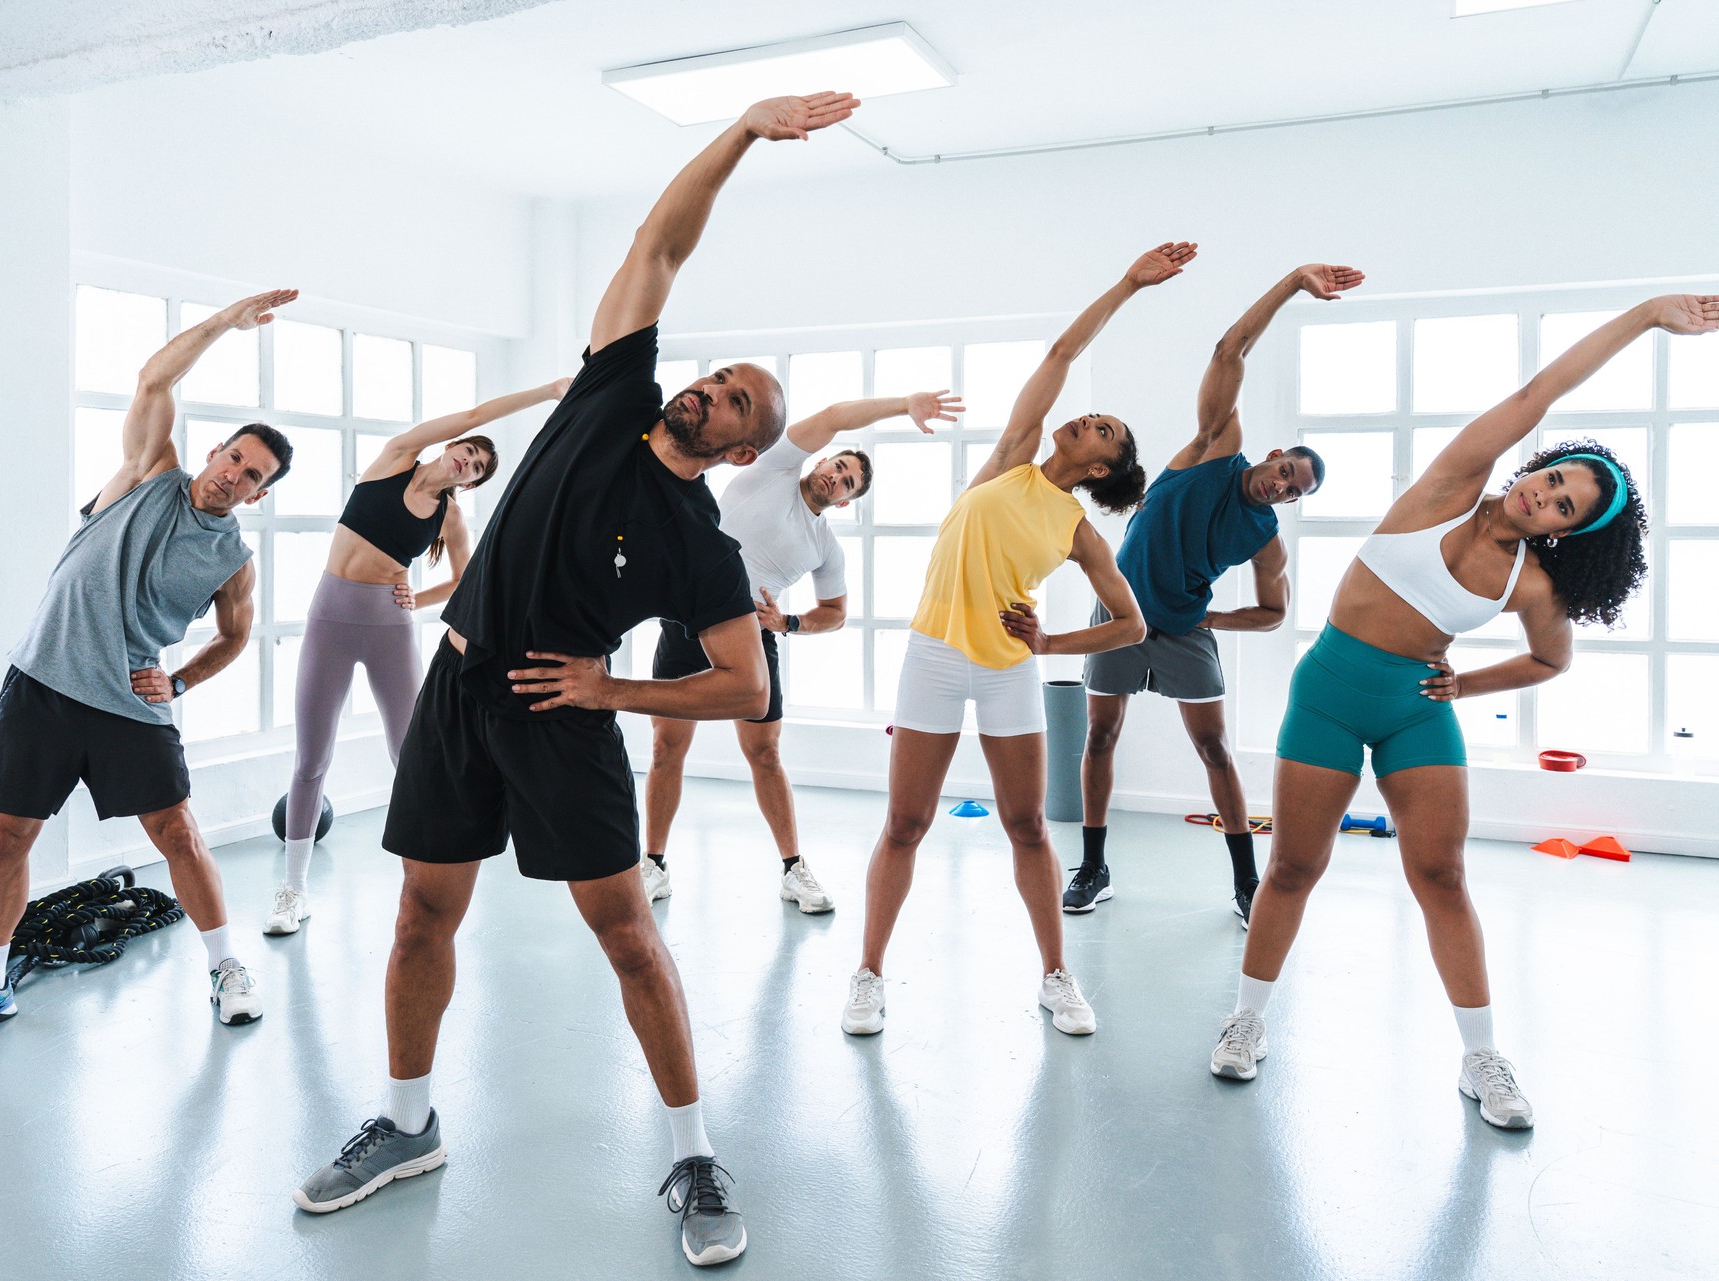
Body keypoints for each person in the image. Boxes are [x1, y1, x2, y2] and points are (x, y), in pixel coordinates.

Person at [292, 93, 859, 1268]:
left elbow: (748, 689)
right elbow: (659, 243)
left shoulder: (701, 543)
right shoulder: (613, 395)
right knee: (418, 918)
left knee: (627, 936)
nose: (712, 390)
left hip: (562, 712)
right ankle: (406, 1126)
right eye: (719, 377)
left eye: (740, 401)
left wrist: (614, 695)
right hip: (457, 692)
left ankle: (695, 1152)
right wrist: (745, 133)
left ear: (745, 450)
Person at [1209, 293, 1717, 1130]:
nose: (1544, 496)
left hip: (1415, 708)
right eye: (1552, 477)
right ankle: (1248, 1019)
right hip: (1329, 689)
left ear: (1568, 533)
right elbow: (1540, 391)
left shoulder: (1534, 583)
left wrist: (1465, 686)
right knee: (1294, 868)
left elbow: (1553, 658)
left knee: (1441, 876)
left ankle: (1483, 1058)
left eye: (1564, 506)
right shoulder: (1455, 480)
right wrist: (1649, 317)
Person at [0, 290, 299, 1051]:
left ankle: (227, 968)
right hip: (44, 683)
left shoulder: (233, 561)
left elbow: (234, 639)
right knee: (5, 838)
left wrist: (182, 681)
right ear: (215, 451)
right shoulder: (147, 471)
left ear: (259, 496)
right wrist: (227, 322)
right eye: (234, 456)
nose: (235, 475)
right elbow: (154, 379)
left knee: (180, 836)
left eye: (253, 475)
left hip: (129, 701)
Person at [841, 243, 1195, 1041]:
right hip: (932, 658)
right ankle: (867, 973)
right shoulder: (1010, 461)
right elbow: (1063, 353)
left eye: (1100, 429)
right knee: (905, 823)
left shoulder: (1076, 528)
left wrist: (1050, 641)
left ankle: (1055, 975)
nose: (1085, 420)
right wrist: (1128, 283)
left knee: (1030, 827)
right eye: (1091, 416)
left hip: (1006, 674)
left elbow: (1133, 625)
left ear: (1102, 464)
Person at [1070, 264, 1355, 923]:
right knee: (1100, 737)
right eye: (1287, 471)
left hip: (1182, 628)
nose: (1283, 486)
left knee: (1215, 750)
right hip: (1119, 613)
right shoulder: (1214, 447)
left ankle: (1247, 883)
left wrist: (1214, 615)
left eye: (1295, 489)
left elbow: (1275, 611)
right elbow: (1231, 350)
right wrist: (1290, 284)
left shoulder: (1266, 538)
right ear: (1274, 453)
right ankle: (1092, 866)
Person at [639, 388, 963, 914]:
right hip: (688, 621)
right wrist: (906, 404)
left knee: (764, 753)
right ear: (821, 462)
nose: (836, 475)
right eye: (837, 465)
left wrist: (788, 622)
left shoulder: (824, 546)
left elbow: (835, 612)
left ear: (844, 502)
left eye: (848, 481)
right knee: (664, 750)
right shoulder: (774, 471)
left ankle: (793, 870)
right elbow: (835, 414)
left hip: (750, 633)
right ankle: (653, 863)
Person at [265, 377, 569, 935]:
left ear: (473, 483)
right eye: (468, 451)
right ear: (450, 447)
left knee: (411, 755)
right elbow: (476, 409)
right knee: (311, 759)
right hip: (329, 618)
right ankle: (293, 890)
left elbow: (464, 578)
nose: (467, 462)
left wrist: (415, 597)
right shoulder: (394, 458)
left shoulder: (448, 516)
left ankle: (424, 874)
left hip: (389, 628)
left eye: (477, 467)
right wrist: (547, 391)